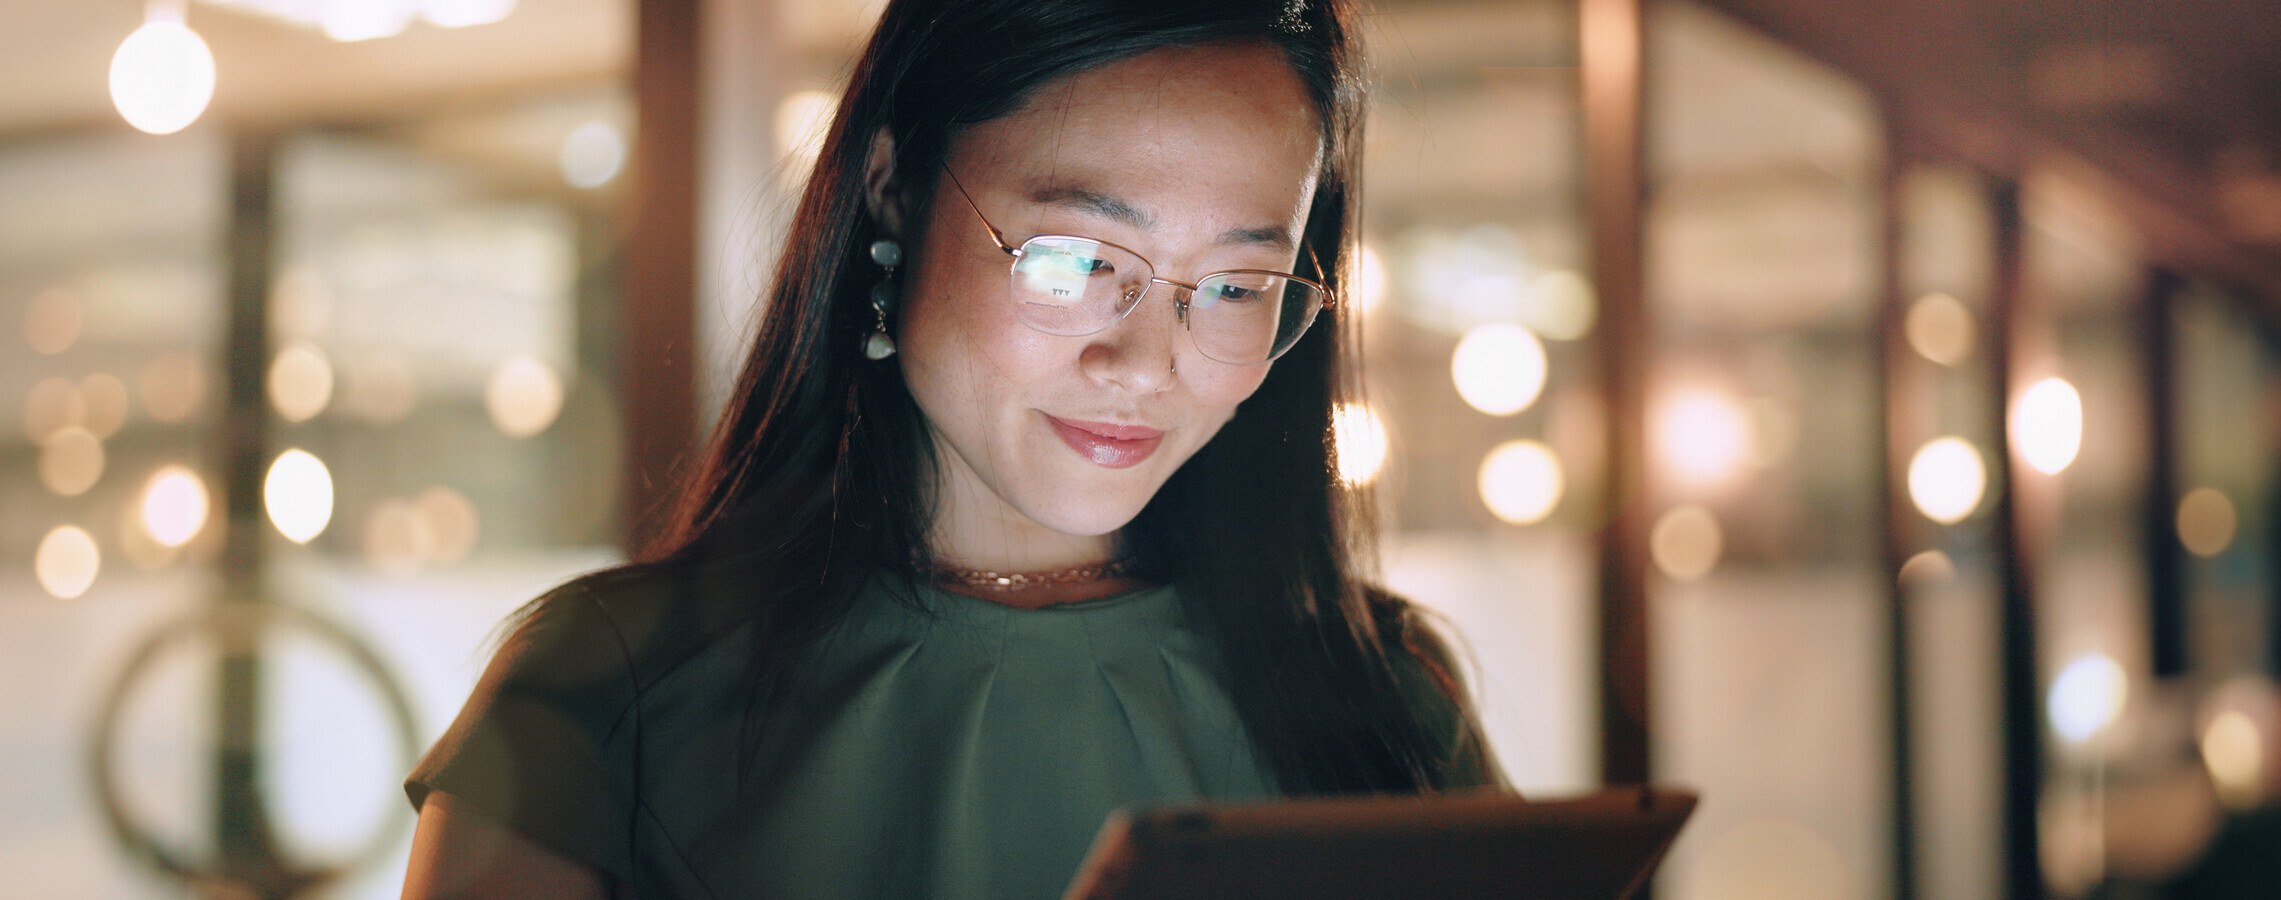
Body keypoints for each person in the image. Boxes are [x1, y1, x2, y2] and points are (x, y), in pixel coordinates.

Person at [399, 0, 1500, 897]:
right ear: (893, 186)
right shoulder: (612, 696)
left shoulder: (1385, 692)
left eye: (1233, 287)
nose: (1142, 365)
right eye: (1075, 260)